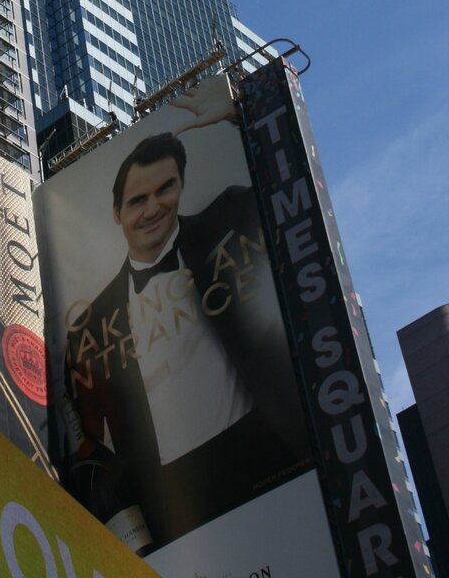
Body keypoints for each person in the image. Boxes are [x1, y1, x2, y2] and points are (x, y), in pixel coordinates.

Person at [64, 81, 311, 548]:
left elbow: (289, 198)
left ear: (181, 184)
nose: (154, 208)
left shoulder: (232, 216)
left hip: (270, 449)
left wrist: (243, 112)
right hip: (175, 499)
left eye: (166, 189)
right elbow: (93, 450)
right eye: (138, 200)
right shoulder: (89, 327)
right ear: (116, 212)